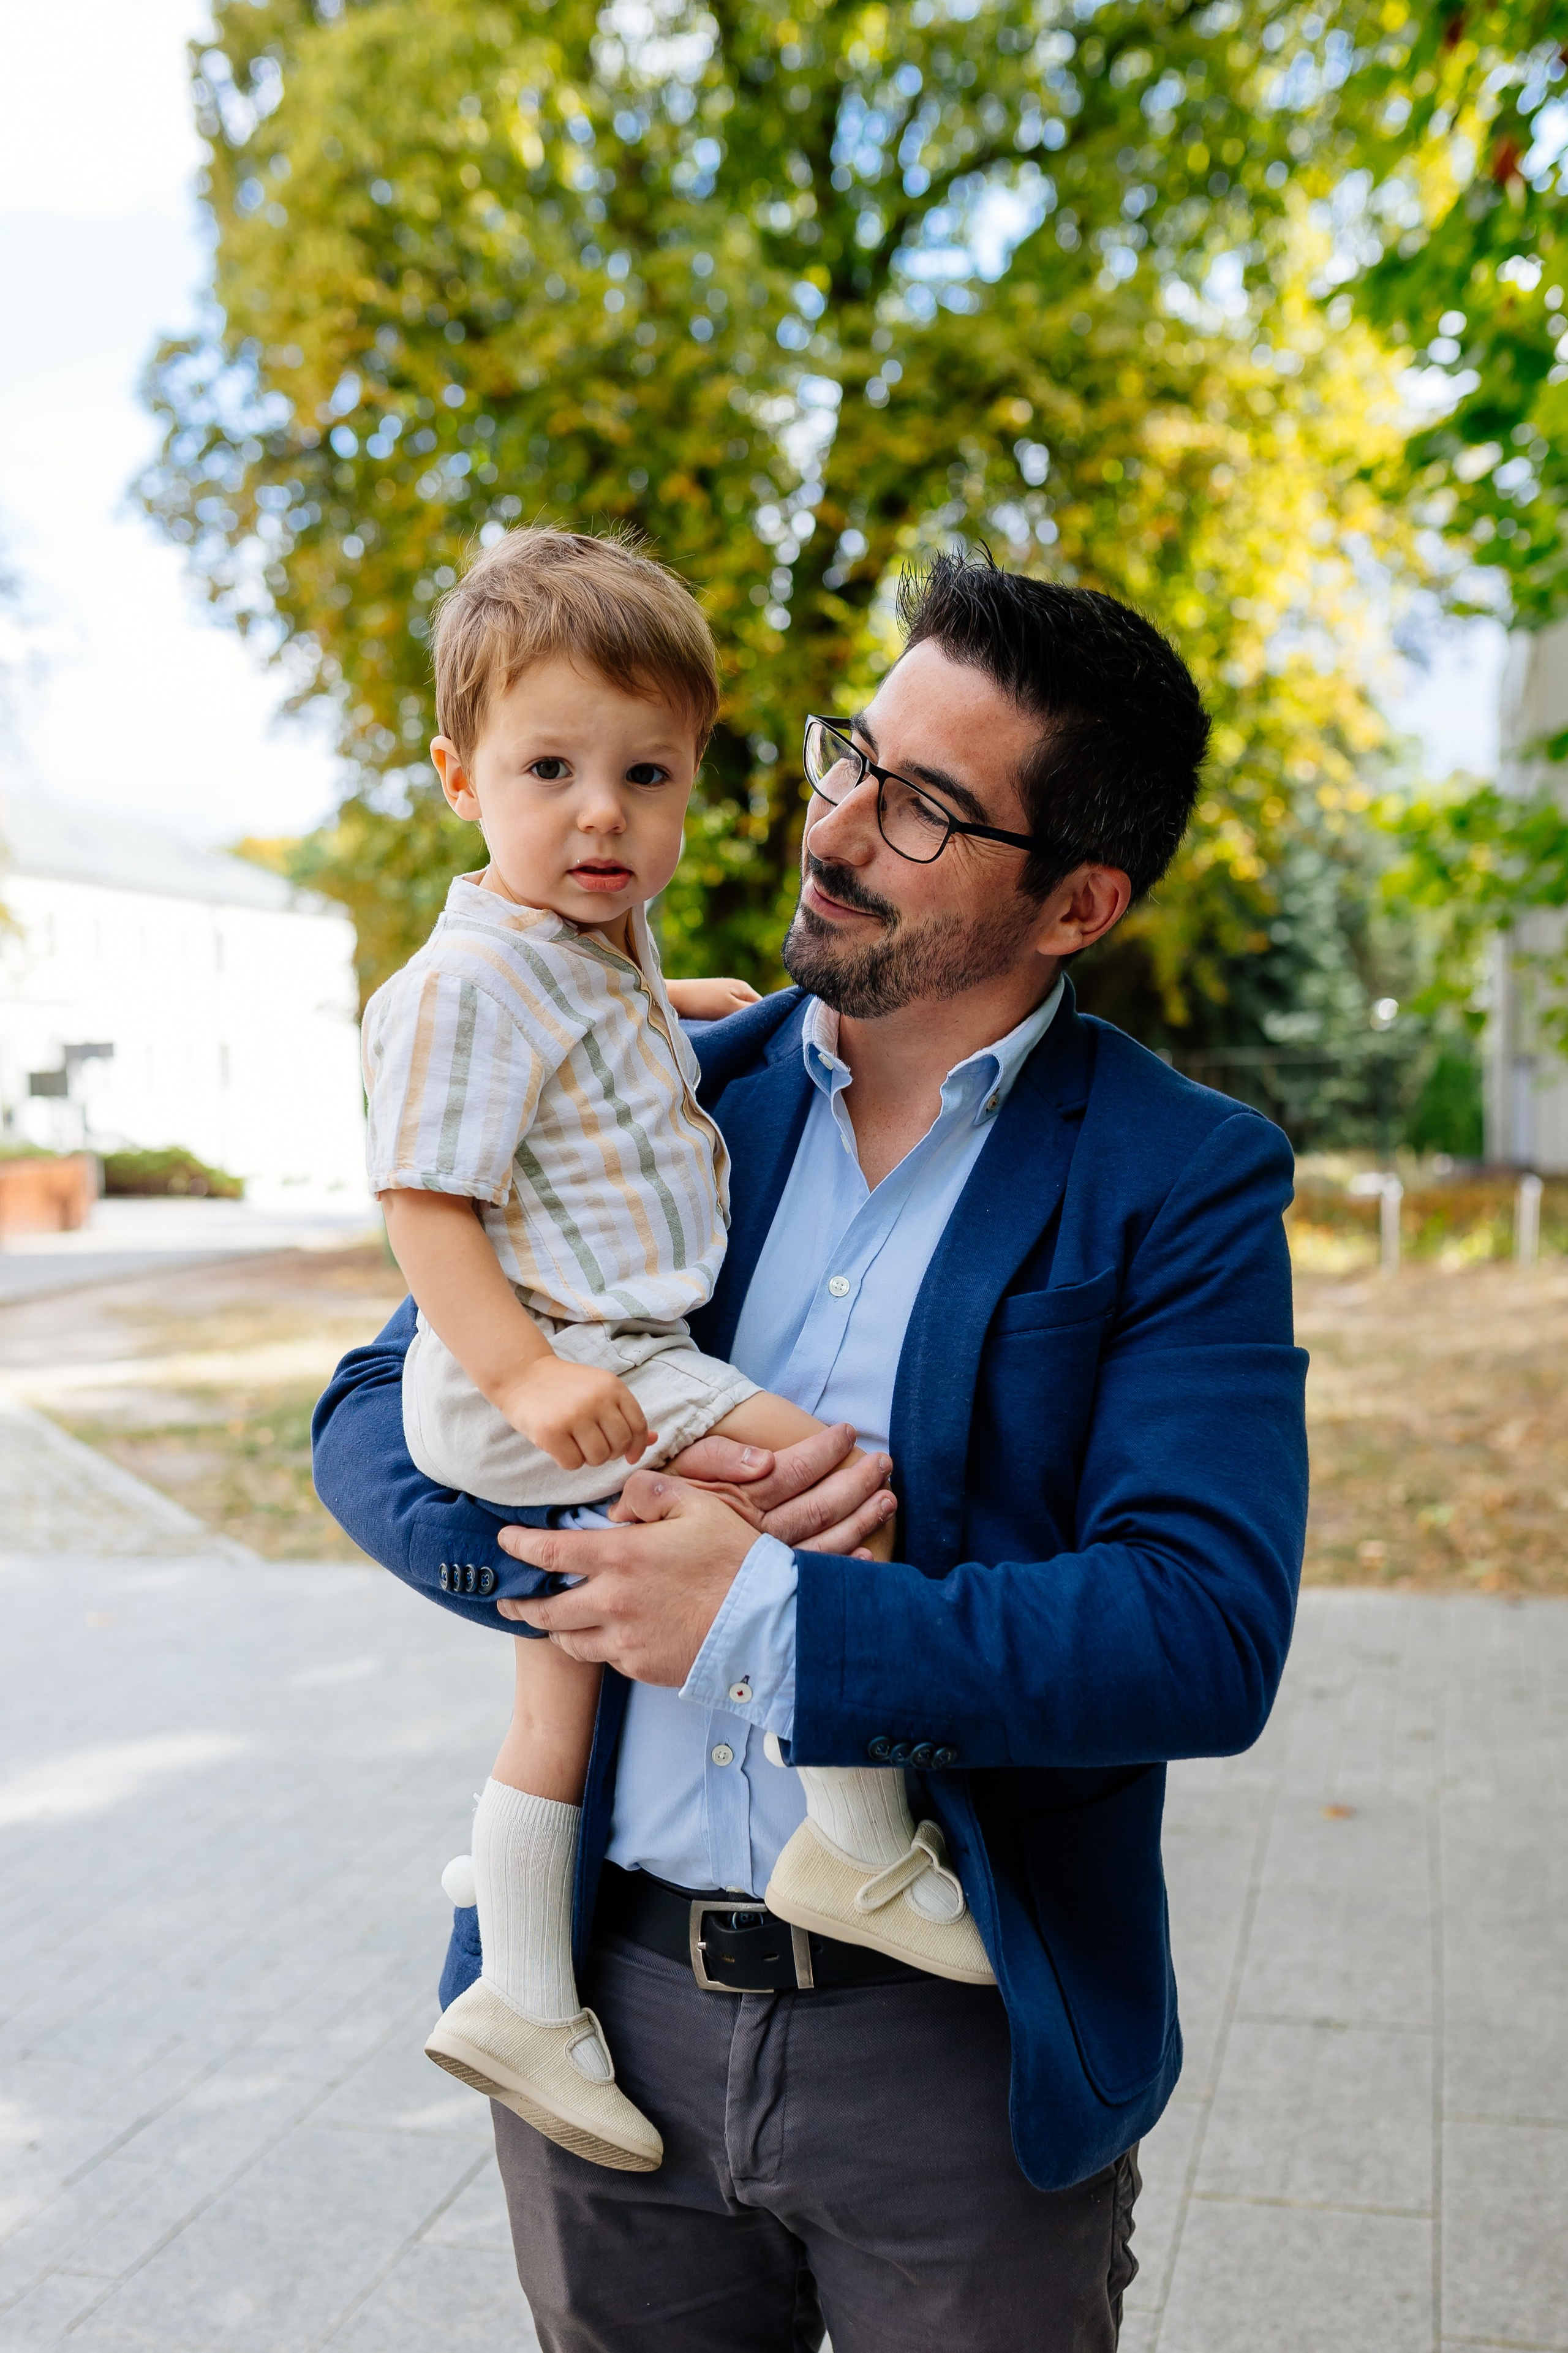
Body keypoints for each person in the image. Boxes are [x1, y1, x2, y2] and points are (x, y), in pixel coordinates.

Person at [314, 547, 1309, 2353]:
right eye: (853, 754)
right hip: (608, 2018)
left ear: (1078, 902)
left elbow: (1199, 1632)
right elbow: (374, 1417)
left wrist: (764, 1619)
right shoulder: (662, 1076)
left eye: (923, 807)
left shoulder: (1182, 1176)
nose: (834, 825)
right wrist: (593, 1569)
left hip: (953, 2050)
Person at [363, 527, 990, 2175]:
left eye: (646, 776)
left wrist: (680, 1004)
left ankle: (522, 1996)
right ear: (457, 777)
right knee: (825, 1478)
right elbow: (425, 1209)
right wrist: (527, 1378)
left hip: (588, 1359)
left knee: (554, 1708)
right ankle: (857, 1837)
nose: (602, 815)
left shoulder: (592, 946)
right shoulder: (463, 985)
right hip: (565, 1365)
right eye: (549, 769)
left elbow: (602, 1035)